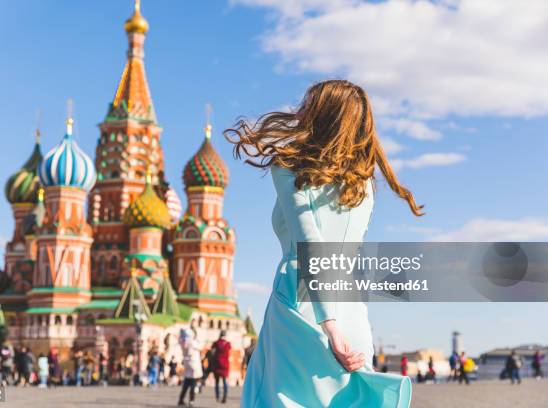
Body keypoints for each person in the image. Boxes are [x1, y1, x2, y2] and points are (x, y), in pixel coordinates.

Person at [226, 80, 420, 407]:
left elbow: (309, 244)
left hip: (302, 311)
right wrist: (344, 325)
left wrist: (329, 327)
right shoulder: (363, 182)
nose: (300, 109)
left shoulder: (289, 168)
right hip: (352, 312)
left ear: (321, 115)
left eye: (308, 104)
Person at [177, 328, 203, 407]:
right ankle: (191, 400)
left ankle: (181, 399)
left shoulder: (182, 341)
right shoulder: (192, 342)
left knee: (186, 382)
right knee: (193, 384)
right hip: (194, 364)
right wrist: (197, 339)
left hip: (187, 363)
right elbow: (200, 347)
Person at [212, 330, 231, 404]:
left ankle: (217, 397)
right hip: (225, 365)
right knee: (224, 382)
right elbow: (230, 349)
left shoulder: (216, 343)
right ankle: (225, 397)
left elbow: (212, 350)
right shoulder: (228, 344)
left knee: (217, 382)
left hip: (217, 364)